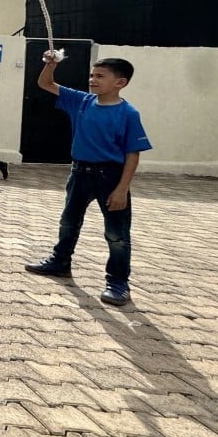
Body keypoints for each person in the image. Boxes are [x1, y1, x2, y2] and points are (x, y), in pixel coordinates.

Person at [25, 53, 151, 307]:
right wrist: (51, 65)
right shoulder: (81, 101)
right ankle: (60, 263)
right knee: (68, 222)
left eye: (100, 76)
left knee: (116, 234)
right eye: (92, 75)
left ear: (120, 82)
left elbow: (132, 155)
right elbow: (46, 84)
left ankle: (118, 284)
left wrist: (121, 189)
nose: (93, 80)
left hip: (111, 177)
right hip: (80, 173)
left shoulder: (128, 113)